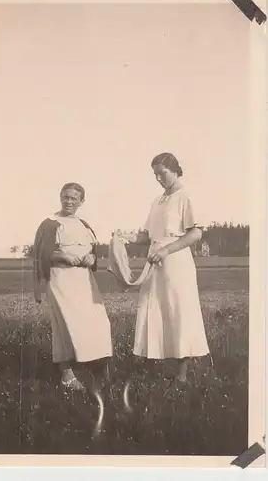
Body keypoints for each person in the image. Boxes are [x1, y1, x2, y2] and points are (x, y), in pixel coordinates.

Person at [118, 153, 210, 384]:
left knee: (178, 309)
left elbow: (196, 233)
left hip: (176, 260)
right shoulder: (157, 201)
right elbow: (147, 235)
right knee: (154, 308)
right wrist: (124, 236)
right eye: (155, 175)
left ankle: (182, 373)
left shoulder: (186, 196)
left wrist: (166, 251)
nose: (159, 179)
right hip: (155, 260)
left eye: (162, 173)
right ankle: (151, 363)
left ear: (175, 169)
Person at [33, 182, 112, 392]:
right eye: (65, 197)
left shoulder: (83, 224)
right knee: (66, 325)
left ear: (81, 202)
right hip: (61, 279)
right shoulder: (50, 223)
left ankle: (98, 368)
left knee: (98, 322)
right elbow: (41, 254)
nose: (69, 201)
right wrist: (63, 255)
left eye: (73, 199)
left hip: (84, 280)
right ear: (60, 197)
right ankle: (66, 375)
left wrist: (91, 256)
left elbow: (93, 251)